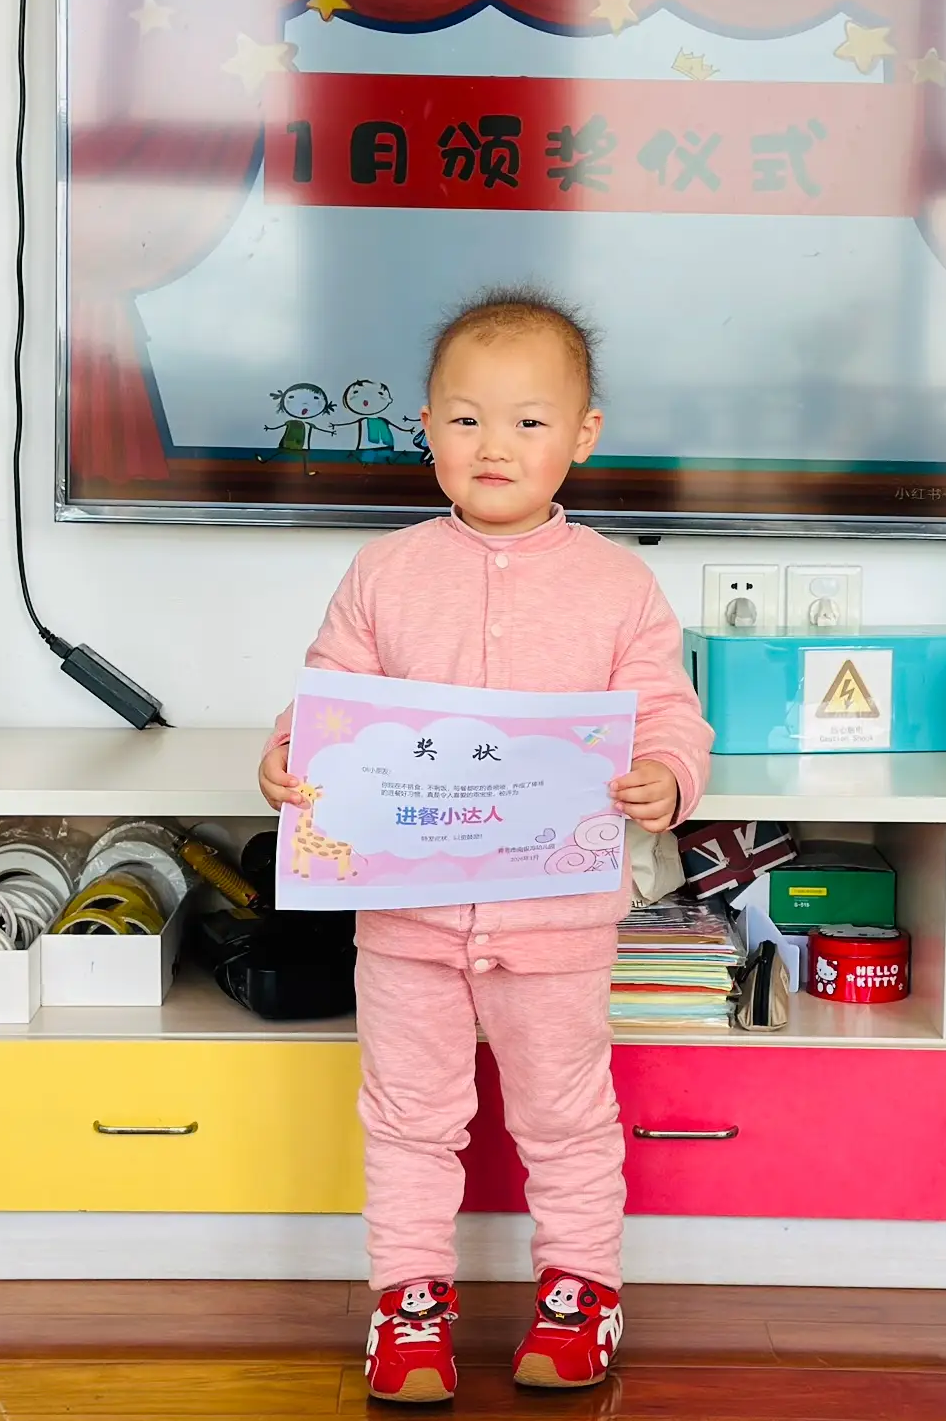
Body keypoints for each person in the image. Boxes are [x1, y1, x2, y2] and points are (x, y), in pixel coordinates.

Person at [260, 289, 713, 1402]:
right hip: (406, 924)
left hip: (556, 925)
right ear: (424, 425)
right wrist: (286, 759)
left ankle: (582, 1293)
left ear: (583, 436)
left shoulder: (617, 583)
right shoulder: (386, 572)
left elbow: (668, 715)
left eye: (527, 421)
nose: (493, 446)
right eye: (465, 420)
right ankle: (410, 1304)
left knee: (564, 1115)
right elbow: (329, 702)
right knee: (409, 1120)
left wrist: (667, 775)